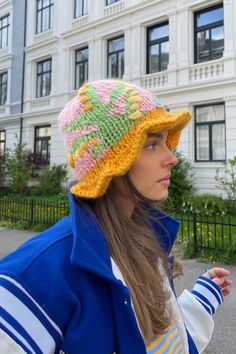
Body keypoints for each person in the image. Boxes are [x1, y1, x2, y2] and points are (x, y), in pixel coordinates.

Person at [0, 80, 232, 354]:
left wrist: (201, 299)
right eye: (150, 144)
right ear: (110, 164)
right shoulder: (34, 277)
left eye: (165, 142)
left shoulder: (144, 241)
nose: (172, 157)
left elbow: (156, 340)